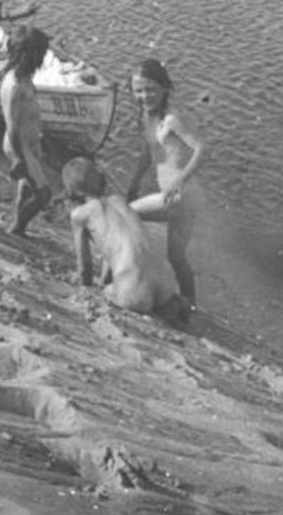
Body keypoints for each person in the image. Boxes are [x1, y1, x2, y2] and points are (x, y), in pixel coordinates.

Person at [64, 157, 190, 323]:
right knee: (138, 270)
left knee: (107, 290)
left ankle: (143, 302)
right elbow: (120, 244)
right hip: (166, 284)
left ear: (72, 191)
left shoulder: (80, 215)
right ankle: (171, 306)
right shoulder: (119, 200)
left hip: (134, 289)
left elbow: (85, 268)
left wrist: (91, 286)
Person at [126, 58, 204, 306]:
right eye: (138, 90)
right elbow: (147, 155)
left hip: (181, 196)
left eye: (150, 89)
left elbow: (202, 149)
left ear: (164, 88)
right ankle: (191, 304)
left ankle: (135, 280)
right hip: (187, 201)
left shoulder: (172, 119)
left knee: (128, 216)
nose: (144, 96)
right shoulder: (148, 117)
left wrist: (179, 180)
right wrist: (134, 184)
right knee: (176, 256)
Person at [0, 25, 52, 234]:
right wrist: (19, 159)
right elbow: (12, 126)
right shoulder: (14, 86)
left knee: (25, 190)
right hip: (19, 144)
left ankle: (18, 226)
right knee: (43, 194)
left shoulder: (24, 78)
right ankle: (16, 227)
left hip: (30, 142)